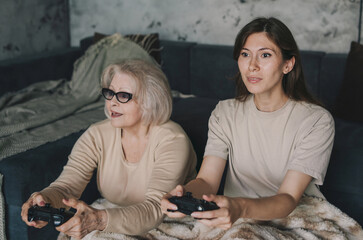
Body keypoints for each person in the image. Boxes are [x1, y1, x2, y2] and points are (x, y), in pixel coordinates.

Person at [161, 17, 335, 230]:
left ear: (287, 65)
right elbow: (206, 181)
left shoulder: (316, 121)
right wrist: (183, 195)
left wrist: (240, 206)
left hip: (294, 221)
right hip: (235, 220)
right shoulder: (224, 113)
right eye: (245, 54)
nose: (252, 66)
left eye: (265, 55)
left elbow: (288, 197)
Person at [21, 59, 197, 238]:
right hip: (112, 215)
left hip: (169, 221)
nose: (112, 102)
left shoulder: (173, 140)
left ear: (149, 101)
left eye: (123, 96)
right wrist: (44, 199)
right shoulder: (96, 134)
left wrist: (98, 220)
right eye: (110, 93)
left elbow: (154, 209)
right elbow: (67, 187)